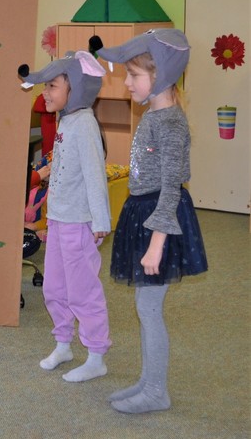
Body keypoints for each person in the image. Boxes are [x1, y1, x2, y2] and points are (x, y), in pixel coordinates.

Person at [95, 29, 208, 413]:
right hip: (144, 212)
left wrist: (157, 244)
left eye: (134, 75)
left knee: (149, 309)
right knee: (145, 307)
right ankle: (148, 381)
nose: (127, 83)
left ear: (161, 75)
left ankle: (157, 391)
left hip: (161, 219)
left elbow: (172, 188)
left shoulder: (171, 123)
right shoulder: (154, 114)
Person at [18, 50, 112, 382]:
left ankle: (96, 356)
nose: (45, 93)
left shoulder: (84, 124)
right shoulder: (66, 119)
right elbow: (62, 171)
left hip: (79, 223)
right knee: (55, 288)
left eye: (52, 86)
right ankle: (63, 344)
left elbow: (95, 175)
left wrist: (100, 220)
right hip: (59, 221)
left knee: (82, 290)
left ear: (75, 88)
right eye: (45, 86)